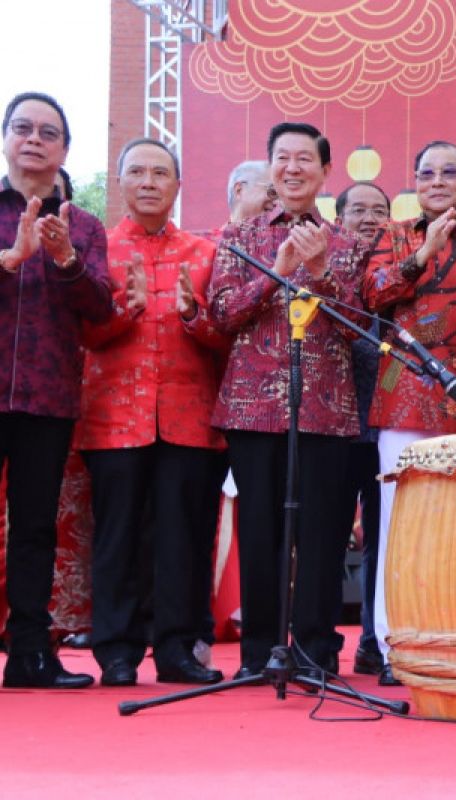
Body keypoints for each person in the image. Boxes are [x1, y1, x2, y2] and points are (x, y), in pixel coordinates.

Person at [208, 122, 369, 679]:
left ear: (326, 171)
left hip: (325, 410)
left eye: (306, 159)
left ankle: (315, 651)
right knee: (260, 533)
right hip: (252, 409)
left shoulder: (347, 244)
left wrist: (321, 271)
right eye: (283, 158)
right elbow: (223, 314)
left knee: (321, 534)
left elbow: (359, 330)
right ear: (272, 167)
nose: (294, 167)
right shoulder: (241, 236)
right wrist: (277, 273)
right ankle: (260, 654)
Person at [78, 138, 228, 687]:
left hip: (189, 416)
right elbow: (85, 335)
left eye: (160, 172)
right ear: (119, 183)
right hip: (115, 415)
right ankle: (116, 652)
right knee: (117, 536)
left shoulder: (205, 252)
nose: (148, 181)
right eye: (136, 171)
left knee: (181, 538)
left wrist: (194, 316)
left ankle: (176, 649)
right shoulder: (98, 250)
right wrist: (125, 311)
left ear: (177, 185)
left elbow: (223, 338)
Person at [363, 140, 456, 669]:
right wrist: (424, 253)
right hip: (404, 400)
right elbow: (374, 296)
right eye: (427, 172)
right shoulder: (393, 234)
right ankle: (393, 645)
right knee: (399, 524)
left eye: (450, 172)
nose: (437, 180)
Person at [1, 91, 113, 688]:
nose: (35, 139)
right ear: (6, 137)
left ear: (64, 149)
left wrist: (65, 259)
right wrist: (10, 259)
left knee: (35, 528)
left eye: (49, 132)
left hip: (47, 397)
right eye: (23, 127)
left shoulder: (84, 225)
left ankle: (29, 655)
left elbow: (100, 310)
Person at [330, 180, 394, 682]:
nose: (370, 218)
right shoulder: (327, 267)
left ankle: (375, 641)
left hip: (388, 428)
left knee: (383, 539)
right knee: (327, 536)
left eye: (380, 210)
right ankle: (318, 641)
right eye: (359, 210)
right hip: (334, 425)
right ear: (339, 217)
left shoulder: (398, 273)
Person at [226, 160, 276, 224]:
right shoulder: (216, 234)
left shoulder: (288, 232)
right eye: (273, 191)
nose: (279, 202)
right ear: (239, 190)